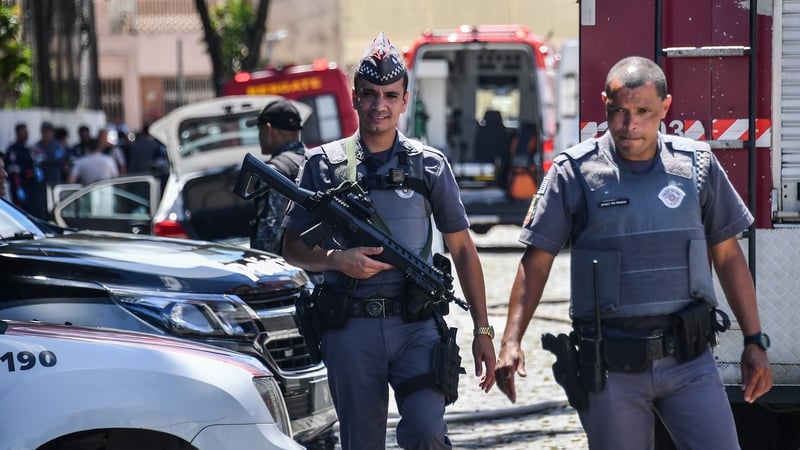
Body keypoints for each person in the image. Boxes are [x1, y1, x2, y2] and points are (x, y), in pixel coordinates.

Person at [495, 56, 773, 449]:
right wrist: (511, 341)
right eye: (619, 111)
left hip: (691, 363)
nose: (630, 125)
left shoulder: (696, 166)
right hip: (611, 367)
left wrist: (754, 340)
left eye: (643, 111)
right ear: (604, 102)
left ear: (665, 107)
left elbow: (728, 257)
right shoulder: (573, 173)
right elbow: (535, 263)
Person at [281, 32, 497, 450]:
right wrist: (337, 260)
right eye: (369, 94)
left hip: (416, 326)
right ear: (354, 97)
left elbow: (464, 250)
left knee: (425, 432)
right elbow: (290, 247)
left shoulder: (429, 165)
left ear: (404, 99)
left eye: (389, 95)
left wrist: (483, 329)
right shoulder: (323, 165)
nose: (379, 105)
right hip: (351, 328)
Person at [245, 99, 306, 254]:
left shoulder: (274, 173)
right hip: (323, 269)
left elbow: (267, 239)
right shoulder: (317, 160)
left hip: (289, 273)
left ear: (268, 129)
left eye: (259, 130)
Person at [4, 123, 47, 218]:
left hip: (32, 187)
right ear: (18, 133)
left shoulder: (29, 149)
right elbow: (14, 171)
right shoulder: (13, 150)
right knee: (22, 212)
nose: (25, 134)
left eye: (26, 132)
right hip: (20, 185)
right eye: (23, 132)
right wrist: (18, 187)